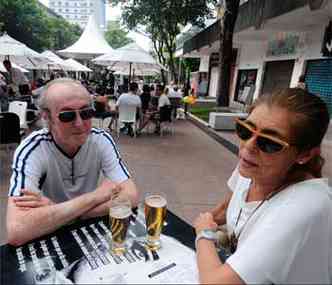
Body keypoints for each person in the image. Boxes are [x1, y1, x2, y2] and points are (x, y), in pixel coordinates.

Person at [194, 88, 331, 284]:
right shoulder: (254, 167)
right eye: (245, 130)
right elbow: (228, 206)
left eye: (269, 142)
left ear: (305, 155)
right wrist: (208, 221)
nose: (249, 145)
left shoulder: (307, 205)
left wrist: (204, 233)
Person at [6, 78, 139, 246]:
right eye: (67, 115)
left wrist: (68, 212)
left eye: (86, 113)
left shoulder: (101, 140)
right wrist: (96, 196)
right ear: (47, 118)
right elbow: (17, 229)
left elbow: (131, 196)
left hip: (60, 224)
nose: (79, 123)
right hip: (50, 237)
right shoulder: (33, 149)